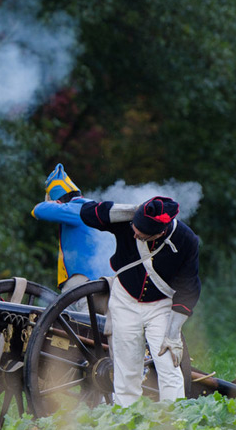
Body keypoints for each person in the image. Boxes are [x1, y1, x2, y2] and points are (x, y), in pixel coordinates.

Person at [79, 196, 201, 406]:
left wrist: (173, 335)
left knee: (168, 367)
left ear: (161, 232)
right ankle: (126, 424)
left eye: (140, 233)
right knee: (126, 370)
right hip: (125, 301)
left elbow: (188, 287)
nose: (134, 232)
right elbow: (88, 214)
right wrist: (131, 211)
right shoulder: (129, 221)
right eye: (134, 227)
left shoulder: (187, 240)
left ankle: (174, 423)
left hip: (161, 306)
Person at [31, 164, 115, 294]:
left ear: (58, 202)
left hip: (83, 283)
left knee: (82, 314)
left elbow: (38, 210)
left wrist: (51, 205)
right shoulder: (90, 206)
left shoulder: (77, 208)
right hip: (104, 281)